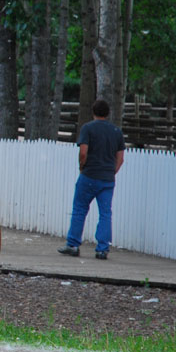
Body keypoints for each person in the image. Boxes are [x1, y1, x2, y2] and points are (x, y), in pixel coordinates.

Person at [58, 99, 126, 260]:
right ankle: (102, 249)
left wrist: (82, 167)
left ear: (93, 112)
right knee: (105, 213)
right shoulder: (116, 131)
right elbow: (121, 158)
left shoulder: (88, 129)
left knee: (80, 209)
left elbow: (83, 152)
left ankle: (73, 245)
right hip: (107, 179)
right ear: (108, 113)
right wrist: (112, 172)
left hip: (89, 175)